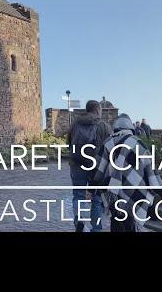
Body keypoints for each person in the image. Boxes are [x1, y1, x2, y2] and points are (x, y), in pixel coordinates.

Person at [93, 113, 162, 232]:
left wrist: (91, 189)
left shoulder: (108, 142)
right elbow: (150, 171)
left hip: (114, 193)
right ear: (131, 128)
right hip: (136, 191)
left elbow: (99, 169)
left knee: (116, 222)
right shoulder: (138, 143)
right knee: (133, 225)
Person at [67, 99, 112, 232]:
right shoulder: (104, 125)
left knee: (78, 195)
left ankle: (79, 220)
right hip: (96, 166)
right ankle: (96, 228)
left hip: (76, 164)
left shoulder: (75, 124)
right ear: (98, 110)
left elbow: (69, 144)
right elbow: (109, 147)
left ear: (87, 109)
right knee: (96, 198)